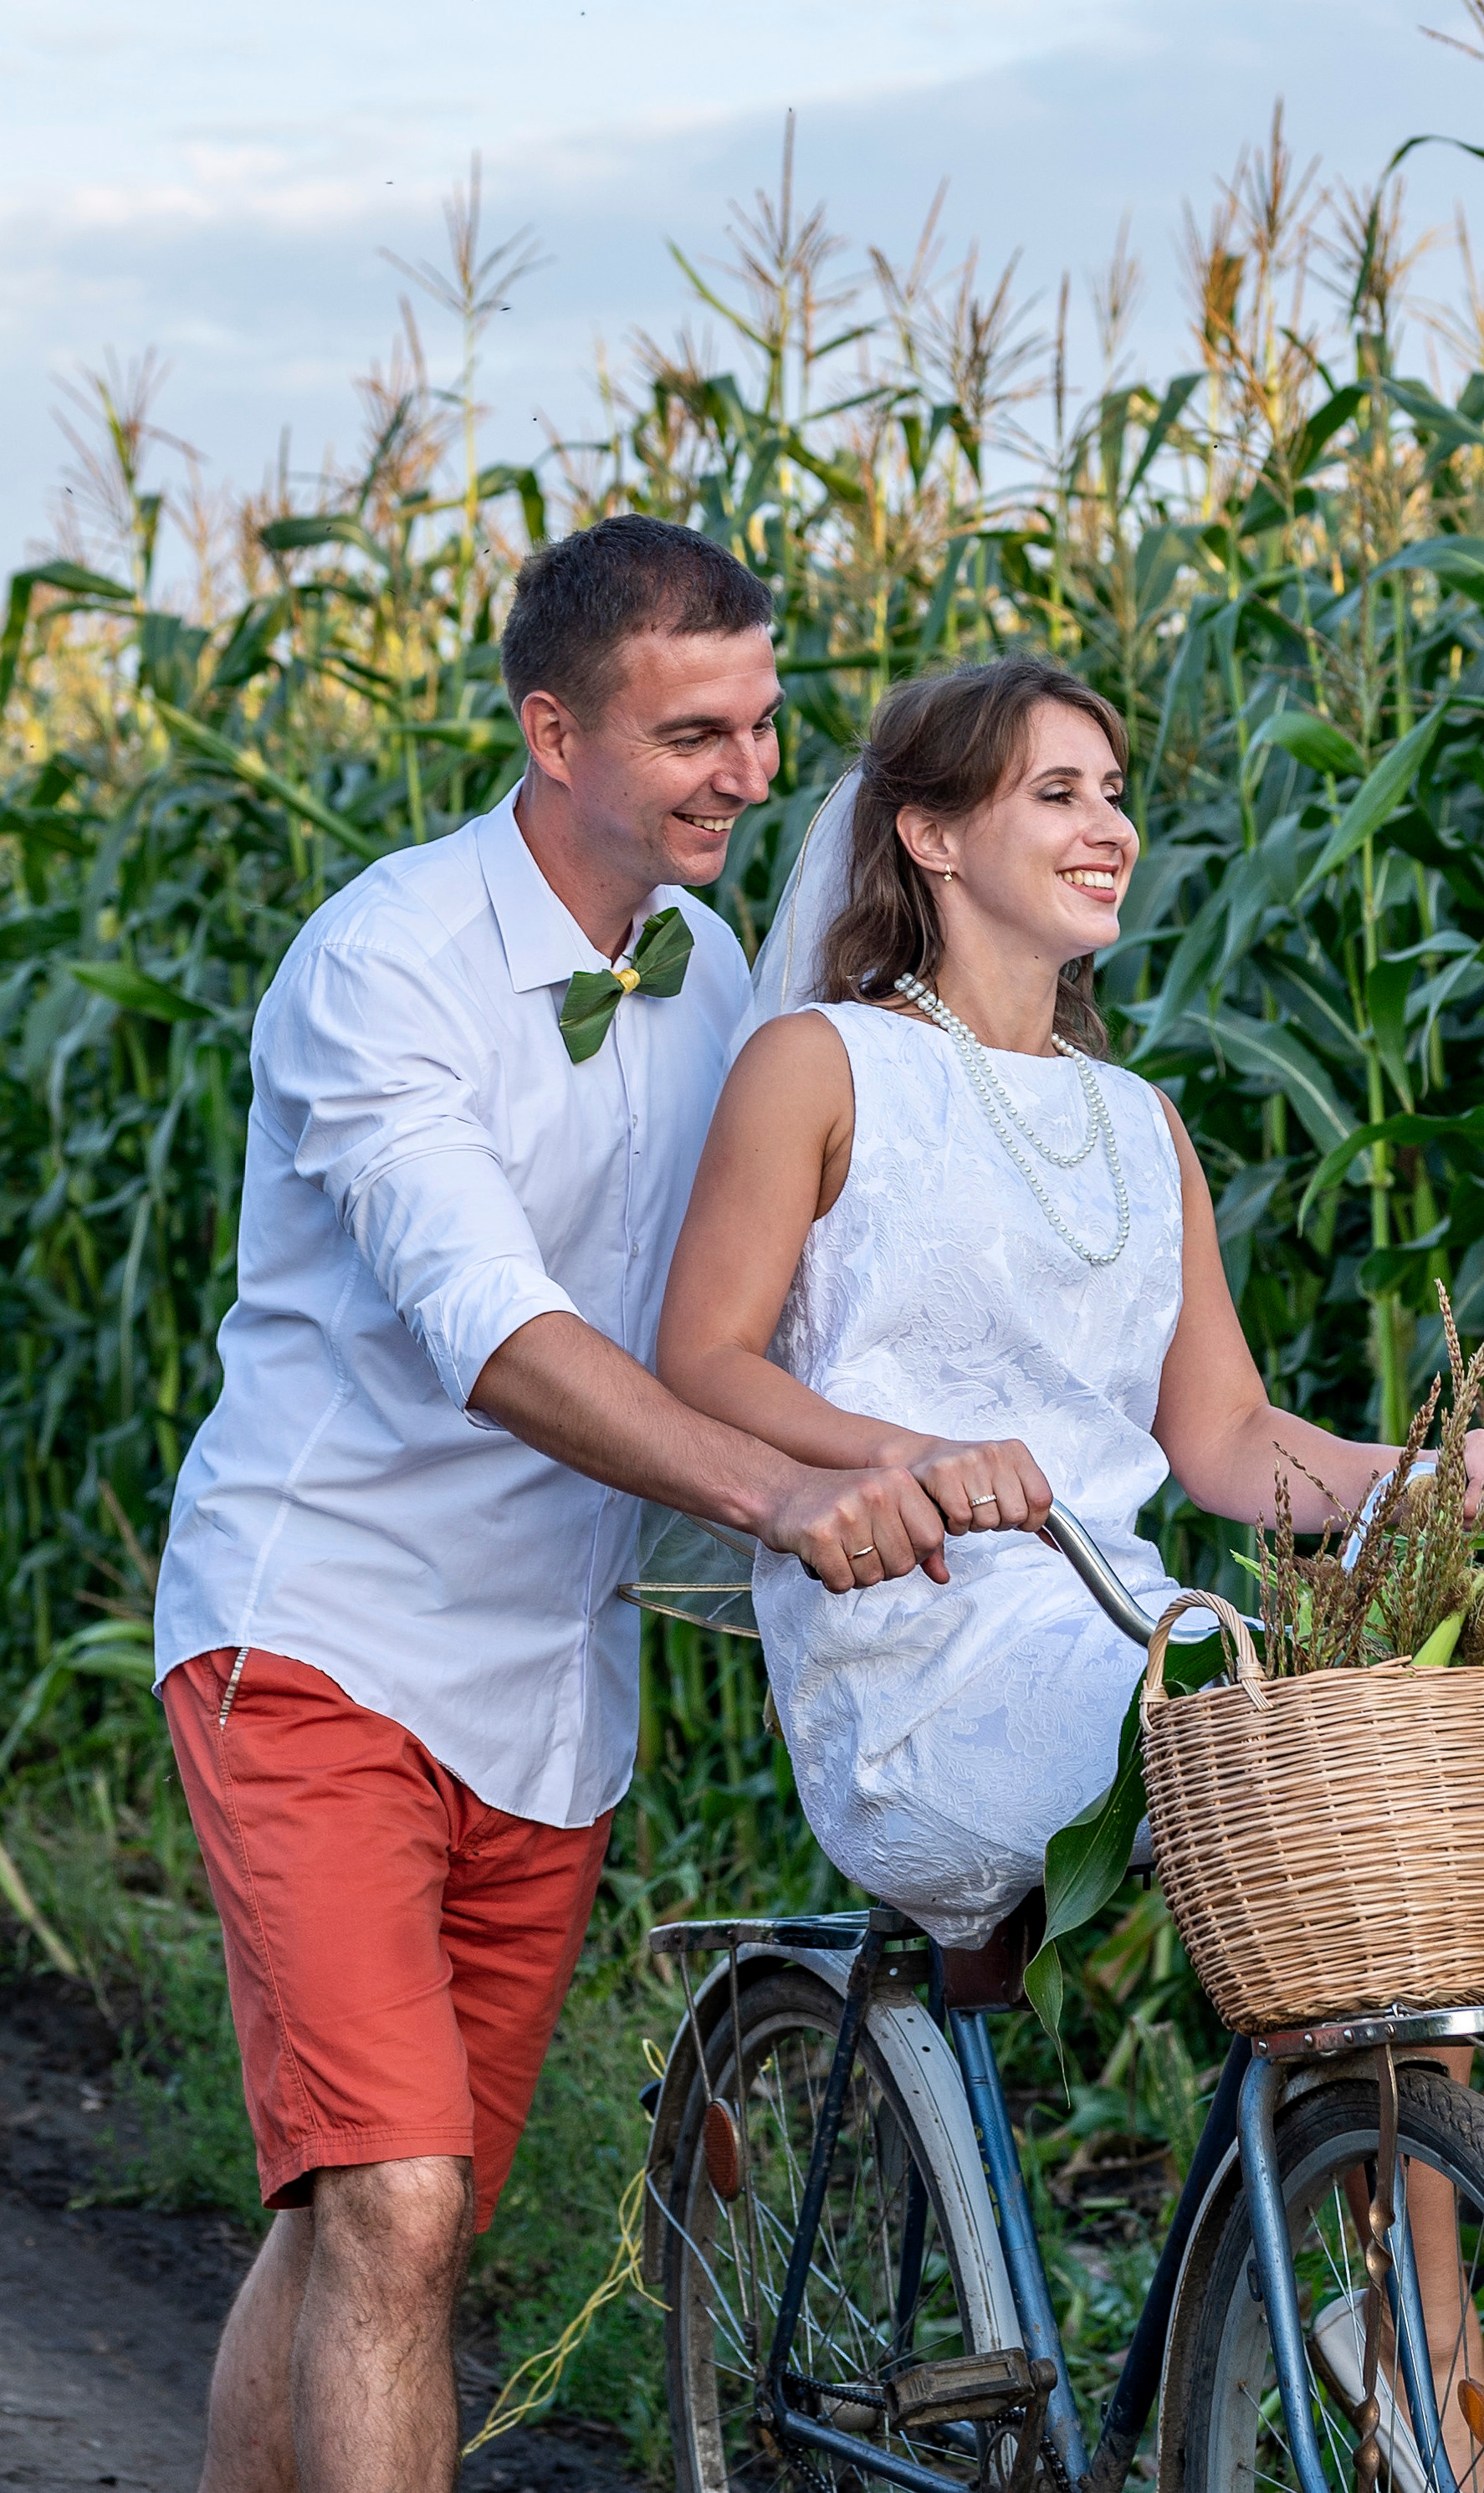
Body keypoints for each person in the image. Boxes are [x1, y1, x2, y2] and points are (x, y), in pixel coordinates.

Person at [657, 650, 1484, 2480]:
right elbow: (702, 1359)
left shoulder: (1138, 1124)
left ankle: (1404, 2297)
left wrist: (1419, 1469)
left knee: (1421, 1760)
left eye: (1113, 789)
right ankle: (1412, 2342)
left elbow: (1222, 1443)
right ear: (928, 833)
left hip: (1119, 1623)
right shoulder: (824, 1064)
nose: (1106, 822)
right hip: (924, 1650)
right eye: (1052, 790)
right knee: (1299, 1738)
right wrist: (903, 1452)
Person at [151, 515, 949, 2493]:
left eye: (763, 724)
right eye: (693, 733)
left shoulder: (704, 978)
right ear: (552, 732)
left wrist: (919, 1458)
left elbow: (757, 1297)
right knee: (400, 2203)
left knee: (366, 2212)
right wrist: (776, 1495)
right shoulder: (384, 962)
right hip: (318, 1631)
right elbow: (494, 1333)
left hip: (545, 1689)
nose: (749, 774)